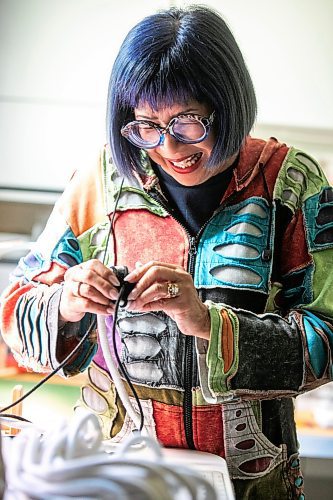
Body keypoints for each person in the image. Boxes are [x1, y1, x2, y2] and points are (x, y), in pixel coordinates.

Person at [1, 5, 332, 499]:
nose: (169, 146)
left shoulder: (289, 183)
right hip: (118, 474)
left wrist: (206, 322)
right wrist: (67, 303)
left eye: (188, 122)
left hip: (251, 479)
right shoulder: (100, 182)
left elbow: (328, 337)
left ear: (229, 104)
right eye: (146, 126)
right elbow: (15, 315)